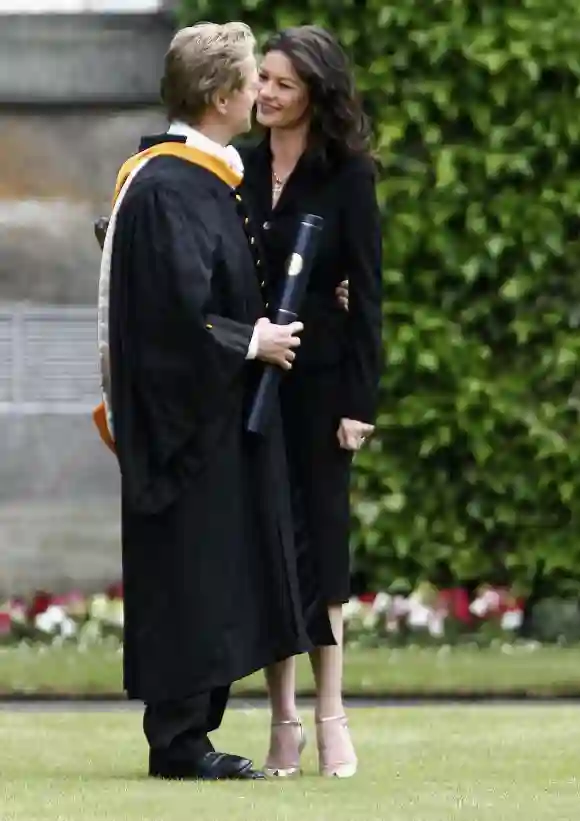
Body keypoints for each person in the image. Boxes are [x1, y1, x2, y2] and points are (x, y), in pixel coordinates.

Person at [97, 21, 334, 782]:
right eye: (250, 82)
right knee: (193, 571)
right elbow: (174, 316)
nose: (260, 94)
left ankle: (191, 734)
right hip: (188, 426)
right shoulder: (169, 185)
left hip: (214, 420)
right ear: (223, 95)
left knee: (214, 569)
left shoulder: (198, 178)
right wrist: (250, 341)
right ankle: (180, 740)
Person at [238, 25, 383, 778]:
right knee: (270, 549)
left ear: (314, 95)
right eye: (261, 78)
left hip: (324, 391)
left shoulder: (348, 174)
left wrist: (360, 403)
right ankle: (282, 722)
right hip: (251, 385)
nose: (263, 93)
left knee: (323, 552)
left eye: (281, 84)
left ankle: (332, 717)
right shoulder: (238, 165)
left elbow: (368, 299)